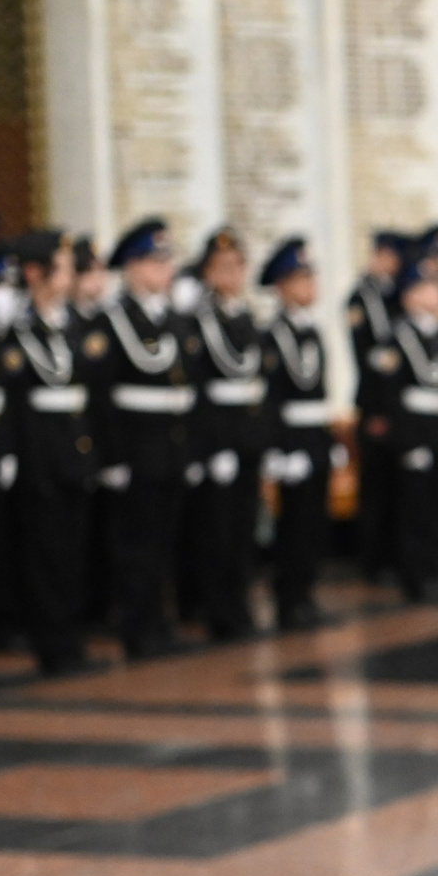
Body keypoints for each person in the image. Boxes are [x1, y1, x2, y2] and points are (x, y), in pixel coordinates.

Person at [84, 220, 203, 660]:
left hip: (170, 449)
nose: (164, 270)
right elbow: (102, 397)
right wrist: (111, 458)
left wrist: (190, 449)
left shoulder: (174, 320)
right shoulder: (113, 322)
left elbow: (186, 392)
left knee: (165, 543)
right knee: (134, 547)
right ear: (132, 268)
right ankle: (137, 628)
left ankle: (158, 621)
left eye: (166, 261)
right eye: (155, 262)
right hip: (135, 451)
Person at [0, 231, 98, 673]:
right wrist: (9, 457)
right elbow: (11, 405)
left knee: (74, 552)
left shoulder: (72, 327)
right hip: (39, 457)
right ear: (35, 274)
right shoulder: (18, 335)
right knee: (44, 555)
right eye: (61, 266)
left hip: (73, 453)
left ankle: (71, 640)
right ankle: (51, 645)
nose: (70, 273)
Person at [189, 227, 267, 639]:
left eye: (237, 266)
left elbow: (257, 385)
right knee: (216, 533)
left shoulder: (244, 316)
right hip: (219, 438)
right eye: (221, 267)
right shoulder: (200, 321)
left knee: (242, 530)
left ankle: (240, 607)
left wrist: (261, 439)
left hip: (247, 436)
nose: (231, 274)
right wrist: (213, 446)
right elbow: (200, 391)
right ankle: (219, 612)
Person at [260, 238, 336, 629]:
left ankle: (306, 593)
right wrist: (277, 450)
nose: (310, 285)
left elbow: (317, 390)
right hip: (291, 440)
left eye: (311, 277)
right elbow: (271, 397)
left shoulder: (311, 331)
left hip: (314, 437)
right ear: (282, 286)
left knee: (313, 525)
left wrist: (328, 440)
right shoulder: (274, 335)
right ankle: (288, 599)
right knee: (292, 526)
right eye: (300, 278)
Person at [384, 264, 438, 602]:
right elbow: (392, 395)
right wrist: (408, 442)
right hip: (414, 431)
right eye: (427, 287)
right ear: (410, 296)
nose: (436, 293)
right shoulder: (398, 335)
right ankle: (414, 577)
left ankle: (434, 569)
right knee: (414, 508)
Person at [349, 231, 404, 583]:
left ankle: (390, 557)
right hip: (375, 404)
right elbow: (369, 358)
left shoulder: (392, 293)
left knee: (394, 488)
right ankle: (371, 561)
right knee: (375, 490)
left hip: (395, 404)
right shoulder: (361, 298)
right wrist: (377, 411)